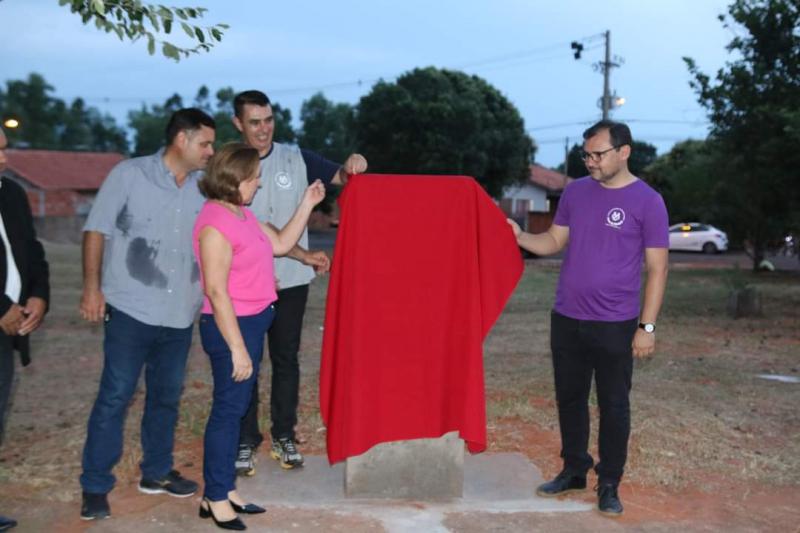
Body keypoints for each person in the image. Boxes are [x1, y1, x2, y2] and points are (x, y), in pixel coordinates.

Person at [507, 120, 669, 517]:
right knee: (570, 399)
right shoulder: (576, 192)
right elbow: (554, 241)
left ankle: (609, 482)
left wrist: (646, 327)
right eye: (587, 155)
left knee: (614, 404)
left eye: (598, 154)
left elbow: (658, 269)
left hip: (615, 322)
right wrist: (520, 237)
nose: (590, 162)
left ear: (624, 152)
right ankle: (574, 469)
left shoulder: (648, 201)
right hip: (566, 316)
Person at [78, 108, 216, 521]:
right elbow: (96, 229)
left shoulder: (203, 188)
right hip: (130, 308)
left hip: (179, 315)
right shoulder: (129, 174)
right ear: (182, 140)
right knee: (115, 396)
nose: (211, 151)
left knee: (166, 398)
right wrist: (91, 288)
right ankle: (95, 485)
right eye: (206, 143)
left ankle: (155, 473)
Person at [231, 90, 367, 474]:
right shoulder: (229, 164)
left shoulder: (296, 156)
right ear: (238, 124)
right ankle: (245, 440)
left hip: (290, 281)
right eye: (254, 122)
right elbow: (251, 228)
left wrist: (355, 162)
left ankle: (284, 434)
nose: (263, 129)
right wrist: (302, 254)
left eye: (269, 120)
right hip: (244, 283)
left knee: (286, 359)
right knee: (246, 363)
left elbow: (342, 175)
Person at [194, 143, 325, 530]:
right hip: (231, 327)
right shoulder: (215, 222)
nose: (258, 184)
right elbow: (216, 292)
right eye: (253, 179)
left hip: (253, 321)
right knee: (227, 412)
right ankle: (216, 497)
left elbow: (282, 244)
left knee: (233, 412)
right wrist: (237, 348)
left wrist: (307, 203)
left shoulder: (243, 215)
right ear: (234, 181)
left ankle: (223, 488)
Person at [0, 127, 50, 532]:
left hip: (9, 329)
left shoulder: (11, 193)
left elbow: (31, 250)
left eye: (4, 148)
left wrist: (38, 296)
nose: (4, 158)